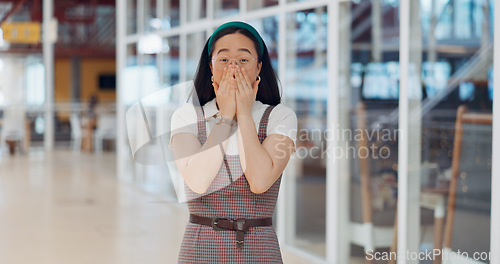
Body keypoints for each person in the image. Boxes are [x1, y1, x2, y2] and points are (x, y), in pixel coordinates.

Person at [169, 21, 297, 263]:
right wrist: (226, 117)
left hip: (259, 249)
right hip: (199, 249)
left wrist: (245, 114)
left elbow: (259, 181)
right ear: (211, 67)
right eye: (224, 59)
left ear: (259, 66)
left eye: (244, 59)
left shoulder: (280, 116)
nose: (234, 68)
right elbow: (197, 181)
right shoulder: (187, 116)